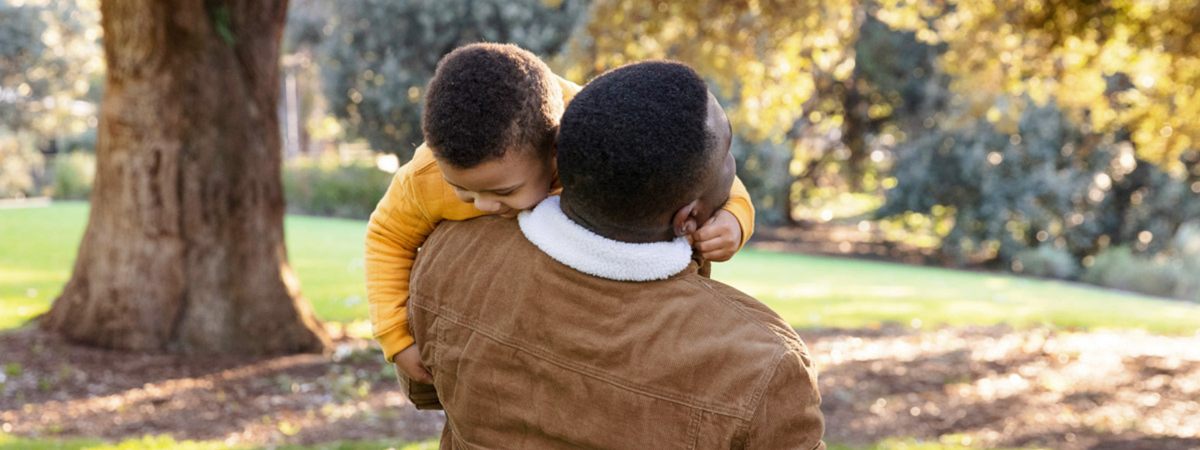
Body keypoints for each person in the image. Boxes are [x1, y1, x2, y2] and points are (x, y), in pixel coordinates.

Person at [404, 60, 825, 449]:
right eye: (727, 153)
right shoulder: (762, 364)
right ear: (689, 217)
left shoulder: (449, 254)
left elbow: (425, 386)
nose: (735, 167)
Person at [365, 43, 757, 384]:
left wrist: (735, 217)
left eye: (504, 192)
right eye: (462, 190)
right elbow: (387, 237)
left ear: (555, 149)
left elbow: (695, 167)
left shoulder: (589, 131)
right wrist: (396, 336)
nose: (483, 204)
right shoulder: (425, 176)